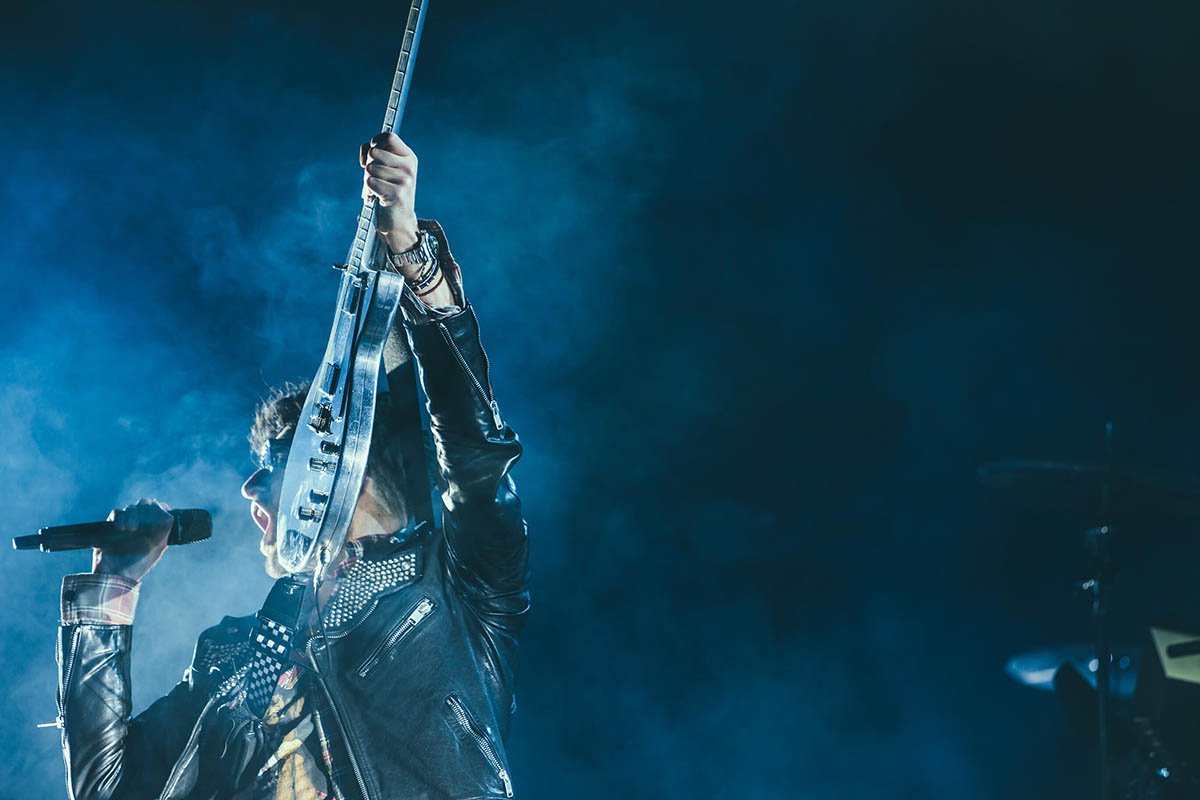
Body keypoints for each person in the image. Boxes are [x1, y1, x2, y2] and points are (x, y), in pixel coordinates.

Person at [54, 133, 529, 800]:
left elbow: (474, 458)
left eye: (277, 461)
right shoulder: (229, 655)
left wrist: (415, 263)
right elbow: (107, 791)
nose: (249, 486)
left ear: (341, 468)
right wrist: (111, 587)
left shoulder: (450, 585)